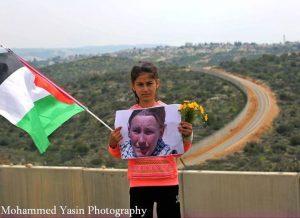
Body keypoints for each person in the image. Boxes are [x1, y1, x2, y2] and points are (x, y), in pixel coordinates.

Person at [107, 61, 193, 218]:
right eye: (140, 84)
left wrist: (186, 137)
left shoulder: (171, 114)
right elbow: (120, 154)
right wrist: (113, 143)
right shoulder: (127, 117)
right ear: (133, 86)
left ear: (157, 83)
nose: (145, 89)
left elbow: (178, 153)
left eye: (149, 83)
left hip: (167, 182)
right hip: (139, 184)